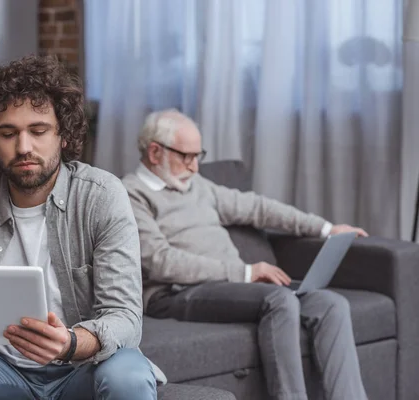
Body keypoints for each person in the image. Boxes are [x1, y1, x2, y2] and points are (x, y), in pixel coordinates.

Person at [0, 55, 159, 400]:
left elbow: (124, 318)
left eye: (38, 130)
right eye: (8, 133)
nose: (23, 147)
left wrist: (70, 343)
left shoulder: (102, 196)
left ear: (63, 135)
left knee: (128, 373)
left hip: (80, 369)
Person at [122, 108, 370, 400]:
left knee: (330, 303)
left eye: (197, 156)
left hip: (231, 286)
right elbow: (160, 262)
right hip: (174, 294)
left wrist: (326, 229)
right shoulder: (131, 194)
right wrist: (246, 273)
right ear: (154, 152)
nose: (195, 167)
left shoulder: (197, 186)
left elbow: (258, 208)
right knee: (279, 299)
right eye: (186, 157)